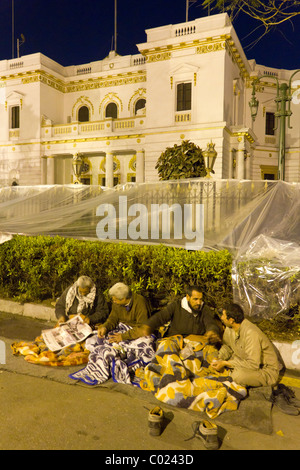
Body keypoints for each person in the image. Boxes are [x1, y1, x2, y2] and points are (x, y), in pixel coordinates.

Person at [210, 303, 280, 387]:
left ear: (231, 320)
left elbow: (253, 364)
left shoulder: (251, 333)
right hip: (244, 362)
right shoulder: (230, 328)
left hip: (264, 371)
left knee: (237, 376)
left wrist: (225, 363)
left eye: (224, 316)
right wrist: (219, 358)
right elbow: (227, 347)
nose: (221, 318)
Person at [137, 285, 221, 342]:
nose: (198, 302)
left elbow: (210, 323)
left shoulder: (204, 308)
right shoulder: (176, 306)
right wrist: (148, 325)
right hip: (174, 340)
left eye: (200, 299)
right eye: (195, 299)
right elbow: (161, 316)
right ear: (188, 297)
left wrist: (212, 331)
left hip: (195, 341)